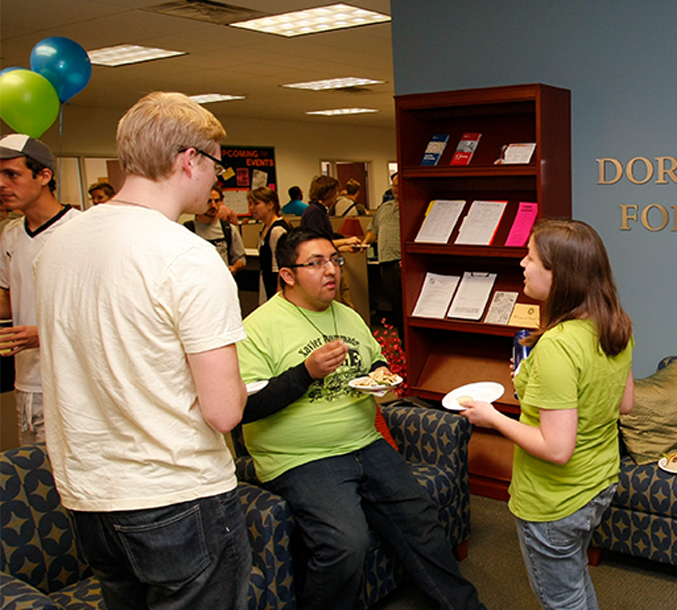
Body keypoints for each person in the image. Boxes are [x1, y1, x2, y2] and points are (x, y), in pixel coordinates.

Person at [34, 91, 250, 610]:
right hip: (176, 494)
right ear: (189, 159)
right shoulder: (189, 256)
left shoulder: (58, 242)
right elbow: (223, 412)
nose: (217, 179)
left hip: (88, 494)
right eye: (217, 164)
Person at [237, 227, 486, 610]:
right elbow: (244, 408)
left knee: (421, 521)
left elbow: (373, 360)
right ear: (287, 274)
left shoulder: (347, 315)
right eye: (315, 263)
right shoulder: (257, 328)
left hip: (365, 442)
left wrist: (381, 372)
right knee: (345, 543)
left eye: (334, 260)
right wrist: (305, 373)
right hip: (303, 458)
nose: (332, 271)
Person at [462, 219, 635, 610]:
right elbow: (623, 403)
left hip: (555, 499)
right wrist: (536, 383)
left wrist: (492, 418)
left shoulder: (556, 346)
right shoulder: (614, 325)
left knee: (561, 599)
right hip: (598, 483)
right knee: (574, 581)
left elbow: (557, 448)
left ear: (560, 275)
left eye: (531, 257)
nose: (522, 264)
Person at [0, 134, 82, 445]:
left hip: (70, 383)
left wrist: (44, 332)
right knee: (36, 480)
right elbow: (11, 300)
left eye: (12, 175)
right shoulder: (10, 235)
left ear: (44, 176)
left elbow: (103, 312)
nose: (2, 184)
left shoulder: (80, 230)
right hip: (26, 382)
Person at [363, 173, 402, 318]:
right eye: (393, 185)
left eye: (399, 185)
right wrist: (363, 244)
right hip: (385, 263)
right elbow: (373, 230)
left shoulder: (410, 206)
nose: (395, 188)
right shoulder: (384, 208)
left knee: (405, 305)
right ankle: (401, 339)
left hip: (402, 263)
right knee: (395, 305)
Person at [186, 185, 247, 274]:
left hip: (222, 282)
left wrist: (234, 267)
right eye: (209, 201)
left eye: (217, 201)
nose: (213, 205)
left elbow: (240, 258)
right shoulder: (188, 230)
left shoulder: (229, 229)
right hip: (197, 282)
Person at [248, 186, 290, 302]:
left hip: (275, 284)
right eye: (251, 204)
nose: (252, 208)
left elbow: (280, 264)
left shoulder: (277, 230)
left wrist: (279, 290)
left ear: (270, 205)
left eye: (256, 204)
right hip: (265, 280)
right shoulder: (266, 227)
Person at [300, 174, 359, 250]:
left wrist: (344, 248)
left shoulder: (319, 210)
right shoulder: (315, 212)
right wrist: (346, 241)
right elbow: (318, 243)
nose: (336, 196)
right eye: (335, 193)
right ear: (328, 194)